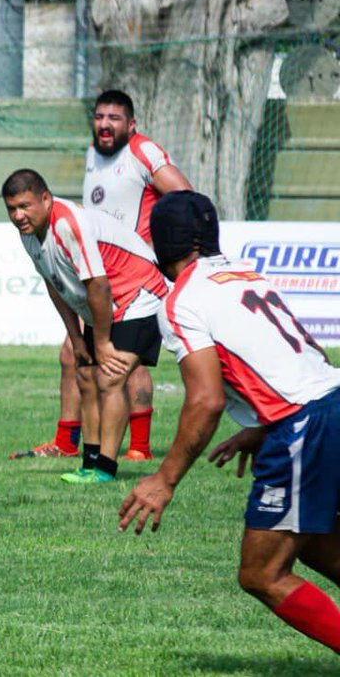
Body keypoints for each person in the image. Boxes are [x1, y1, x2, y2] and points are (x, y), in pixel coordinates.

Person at [120, 191, 340, 656]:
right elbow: (311, 356)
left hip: (304, 425)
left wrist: (165, 478)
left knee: (262, 573)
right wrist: (261, 427)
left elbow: (206, 401)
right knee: (315, 542)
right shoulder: (245, 274)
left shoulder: (181, 300)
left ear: (159, 244)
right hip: (331, 401)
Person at [13, 89, 192, 462]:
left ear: (131, 124)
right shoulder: (93, 156)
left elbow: (185, 198)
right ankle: (74, 444)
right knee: (75, 355)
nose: (105, 125)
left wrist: (156, 247)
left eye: (114, 118)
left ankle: (133, 449)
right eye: (99, 117)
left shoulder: (143, 151)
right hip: (94, 267)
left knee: (120, 366)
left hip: (129, 274)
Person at [2, 168, 168, 484]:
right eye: (12, 208)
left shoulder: (66, 224)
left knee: (110, 378)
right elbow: (56, 285)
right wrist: (76, 338)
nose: (19, 215)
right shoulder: (28, 235)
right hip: (106, 306)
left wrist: (102, 343)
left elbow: (99, 285)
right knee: (86, 376)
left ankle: (105, 469)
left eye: (25, 206)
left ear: (46, 199)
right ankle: (88, 465)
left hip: (139, 297)